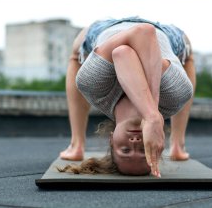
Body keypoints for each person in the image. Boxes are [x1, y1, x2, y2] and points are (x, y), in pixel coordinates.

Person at [59, 17, 196, 177]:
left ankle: (76, 144)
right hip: (164, 34)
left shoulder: (93, 85)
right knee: (188, 54)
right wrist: (151, 114)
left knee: (76, 56)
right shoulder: (176, 95)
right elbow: (144, 34)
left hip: (108, 28)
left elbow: (125, 49)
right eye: (144, 151)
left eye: (125, 150)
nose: (135, 143)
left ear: (111, 139)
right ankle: (178, 144)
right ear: (159, 143)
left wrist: (151, 116)